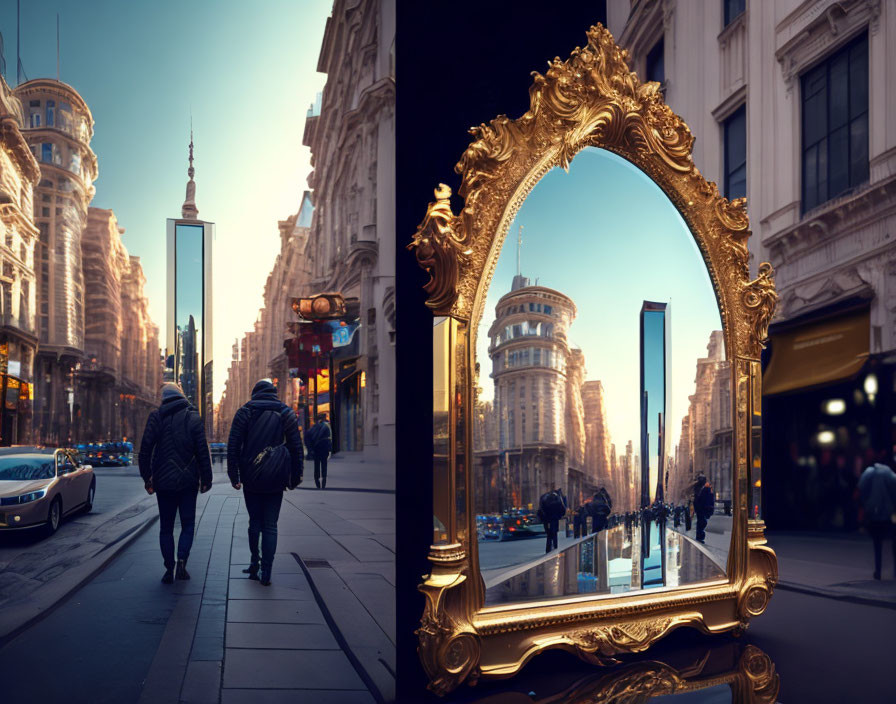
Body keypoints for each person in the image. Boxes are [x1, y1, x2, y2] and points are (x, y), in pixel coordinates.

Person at [227, 379, 303, 585]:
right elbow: (296, 447)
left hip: (251, 476)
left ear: (254, 394)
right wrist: (295, 478)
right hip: (277, 476)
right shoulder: (285, 412)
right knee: (271, 525)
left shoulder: (245, 412)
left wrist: (234, 476)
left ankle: (254, 564)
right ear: (274, 393)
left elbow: (233, 446)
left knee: (255, 522)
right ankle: (267, 571)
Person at [138, 383, 213, 584]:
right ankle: (182, 562)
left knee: (166, 527)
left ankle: (168, 568)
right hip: (188, 482)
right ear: (181, 397)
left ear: (163, 398)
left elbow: (144, 451)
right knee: (188, 524)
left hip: (163, 483)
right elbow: (202, 452)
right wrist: (207, 479)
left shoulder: (156, 417)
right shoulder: (193, 417)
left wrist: (148, 478)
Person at [858, 452, 896, 580]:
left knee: (877, 544)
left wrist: (867, 505)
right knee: (894, 543)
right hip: (888, 514)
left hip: (873, 514)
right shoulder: (890, 473)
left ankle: (878, 571)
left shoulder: (868, 472)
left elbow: (861, 489)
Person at [304, 413, 333, 489]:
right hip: (324, 449)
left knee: (316, 466)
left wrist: (310, 450)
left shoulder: (312, 428)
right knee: (324, 465)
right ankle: (324, 481)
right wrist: (329, 449)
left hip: (316, 450)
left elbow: (307, 438)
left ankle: (317, 482)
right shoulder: (326, 427)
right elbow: (329, 439)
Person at [537, 487, 567, 553]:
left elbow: (540, 510)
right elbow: (562, 510)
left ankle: (548, 548)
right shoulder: (558, 498)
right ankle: (555, 547)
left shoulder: (544, 497)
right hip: (554, 518)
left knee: (549, 534)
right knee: (554, 533)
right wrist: (560, 516)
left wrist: (542, 518)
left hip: (546, 518)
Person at [693, 475, 715, 544]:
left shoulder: (703, 489)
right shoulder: (703, 489)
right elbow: (710, 499)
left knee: (701, 522)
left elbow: (709, 499)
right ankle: (700, 536)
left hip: (702, 508)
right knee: (701, 522)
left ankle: (699, 536)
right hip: (702, 508)